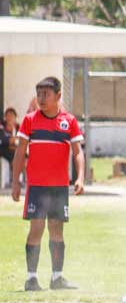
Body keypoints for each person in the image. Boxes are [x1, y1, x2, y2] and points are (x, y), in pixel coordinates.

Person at [12, 77, 85, 291]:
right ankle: (31, 279)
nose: (42, 98)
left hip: (59, 187)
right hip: (36, 186)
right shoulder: (30, 120)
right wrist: (16, 181)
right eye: (39, 93)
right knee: (36, 228)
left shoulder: (69, 121)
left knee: (56, 229)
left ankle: (57, 278)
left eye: (47, 94)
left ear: (58, 96)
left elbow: (78, 152)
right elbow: (19, 152)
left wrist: (80, 177)